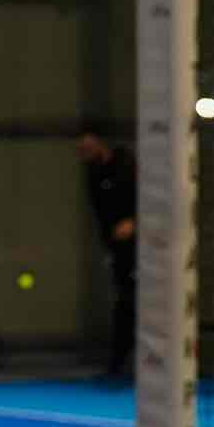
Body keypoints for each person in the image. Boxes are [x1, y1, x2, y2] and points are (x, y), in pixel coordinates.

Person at [78, 125, 137, 384]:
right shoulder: (93, 175)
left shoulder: (126, 163)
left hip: (147, 246)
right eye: (81, 150)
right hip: (120, 251)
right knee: (124, 302)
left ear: (100, 142)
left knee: (145, 302)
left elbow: (150, 197)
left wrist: (135, 222)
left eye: (88, 146)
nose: (85, 151)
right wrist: (110, 249)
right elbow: (102, 217)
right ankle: (118, 363)